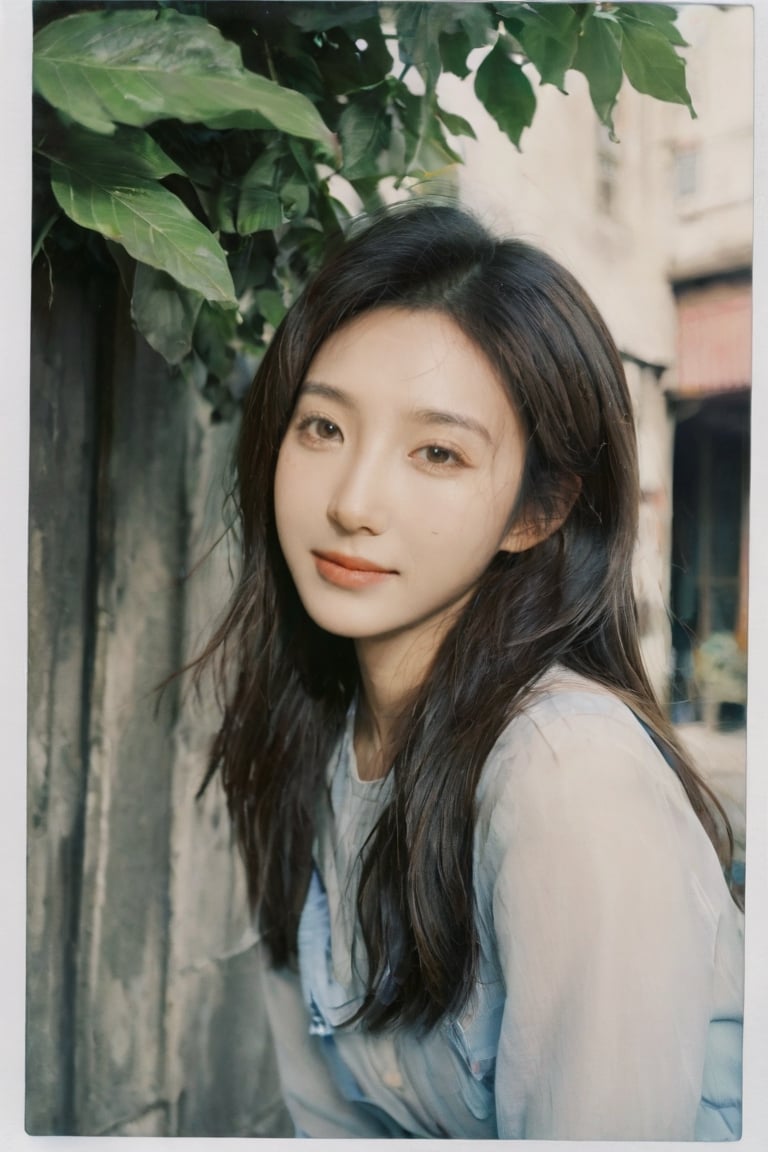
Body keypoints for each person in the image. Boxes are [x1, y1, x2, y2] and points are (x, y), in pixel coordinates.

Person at [196, 203, 744, 1140]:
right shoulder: (304, 738)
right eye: (322, 428)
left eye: (438, 452)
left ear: (535, 514)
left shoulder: (564, 774)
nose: (353, 502)